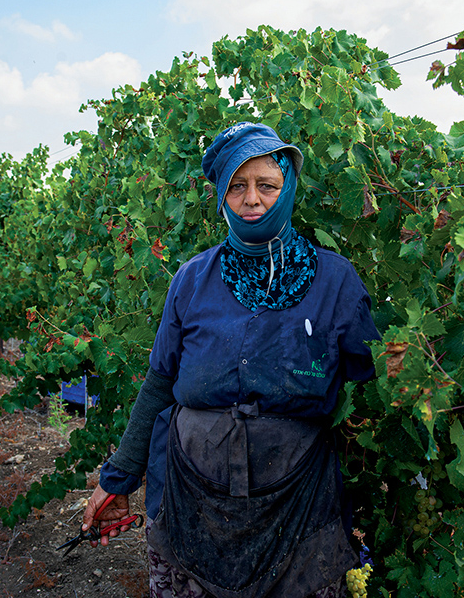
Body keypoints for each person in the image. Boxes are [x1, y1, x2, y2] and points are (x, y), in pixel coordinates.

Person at [82, 122, 380, 598]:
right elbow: (160, 383)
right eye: (237, 187)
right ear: (221, 197)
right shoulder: (192, 279)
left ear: (288, 188)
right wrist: (117, 479)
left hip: (299, 504)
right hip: (190, 496)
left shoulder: (335, 282)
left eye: (267, 185)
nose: (252, 199)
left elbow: (376, 385)